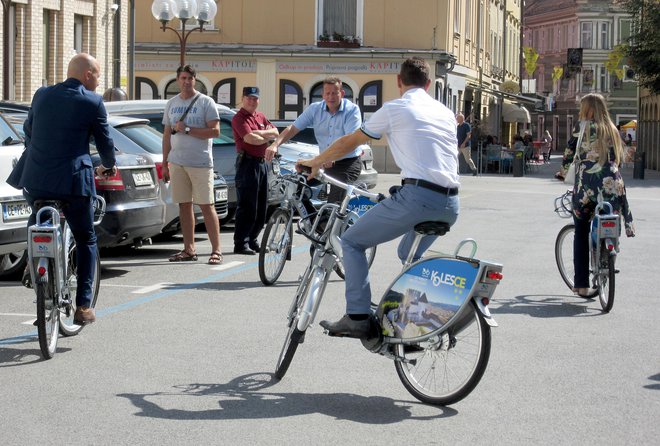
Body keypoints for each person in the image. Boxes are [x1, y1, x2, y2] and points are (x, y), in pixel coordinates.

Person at [297, 57, 460, 338]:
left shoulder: (396, 108)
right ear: (429, 84)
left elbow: (350, 141)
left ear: (399, 82)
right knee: (407, 254)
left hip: (417, 197)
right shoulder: (444, 111)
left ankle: (358, 316)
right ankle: (420, 318)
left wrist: (316, 161)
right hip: (451, 204)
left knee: (351, 240)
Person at [6, 53, 116, 325]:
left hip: (36, 178)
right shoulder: (92, 101)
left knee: (36, 225)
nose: (99, 81)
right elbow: (105, 144)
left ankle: (35, 268)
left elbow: (28, 131)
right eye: (98, 75)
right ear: (87, 75)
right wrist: (109, 166)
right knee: (86, 238)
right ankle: (83, 306)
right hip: (72, 182)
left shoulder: (41, 94)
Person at [570, 93, 635, 297]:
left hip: (587, 185)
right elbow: (618, 159)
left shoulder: (582, 128)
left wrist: (562, 172)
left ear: (587, 109)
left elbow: (568, 155)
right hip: (613, 184)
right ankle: (607, 253)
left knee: (581, 230)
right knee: (610, 219)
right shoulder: (613, 129)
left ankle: (581, 284)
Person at [266, 77, 366, 203]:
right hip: (323, 161)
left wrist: (331, 157)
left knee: (334, 202)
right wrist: (275, 144)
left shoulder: (352, 110)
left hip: (347, 163)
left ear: (342, 93)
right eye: (327, 93)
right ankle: (313, 221)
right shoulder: (315, 109)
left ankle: (329, 221)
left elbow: (349, 142)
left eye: (335, 93)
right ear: (323, 95)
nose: (331, 97)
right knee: (296, 187)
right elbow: (293, 128)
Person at [162, 65, 222, 265]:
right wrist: (164, 162)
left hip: (200, 163)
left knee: (206, 206)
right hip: (177, 162)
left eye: (190, 78)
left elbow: (215, 131)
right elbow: (167, 135)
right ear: (178, 80)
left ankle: (216, 251)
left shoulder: (206, 102)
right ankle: (189, 249)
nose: (186, 82)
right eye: (183, 78)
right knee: (184, 206)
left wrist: (187, 129)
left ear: (195, 80)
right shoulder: (171, 103)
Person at [231, 87, 279, 255]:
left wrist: (261, 133)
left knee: (261, 206)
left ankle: (253, 239)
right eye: (249, 98)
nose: (252, 101)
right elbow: (250, 139)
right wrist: (265, 137)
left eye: (255, 98)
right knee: (247, 205)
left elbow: (276, 132)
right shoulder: (239, 118)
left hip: (262, 164)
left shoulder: (260, 116)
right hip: (247, 164)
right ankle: (241, 243)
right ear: (243, 98)